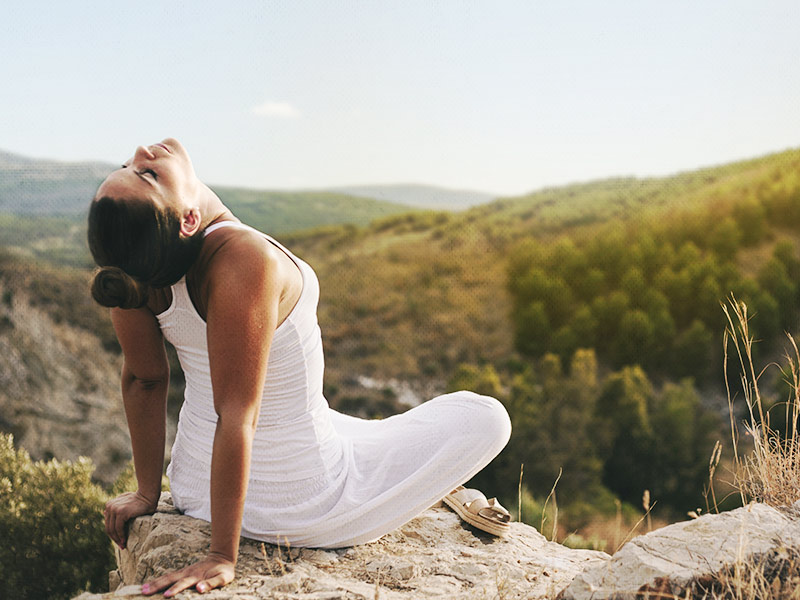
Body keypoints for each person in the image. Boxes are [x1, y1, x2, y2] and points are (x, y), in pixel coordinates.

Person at [89, 138, 512, 597]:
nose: (141, 153)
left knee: (339, 418)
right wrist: (221, 556)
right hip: (298, 503)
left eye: (131, 166)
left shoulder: (132, 265)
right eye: (145, 174)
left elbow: (145, 380)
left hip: (195, 484)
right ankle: (424, 482)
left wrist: (147, 493)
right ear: (188, 220)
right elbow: (237, 414)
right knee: (486, 416)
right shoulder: (242, 259)